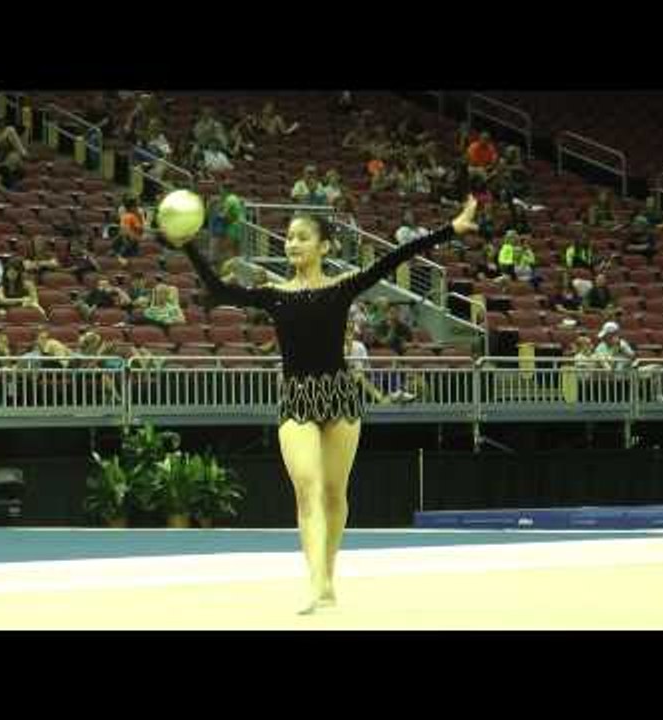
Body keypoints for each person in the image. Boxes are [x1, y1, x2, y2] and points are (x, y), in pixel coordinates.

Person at [174, 192, 479, 614]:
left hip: (339, 397)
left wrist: (452, 229)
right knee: (308, 489)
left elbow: (395, 258)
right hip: (297, 398)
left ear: (325, 246)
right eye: (288, 238)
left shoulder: (341, 288)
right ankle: (314, 582)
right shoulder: (272, 293)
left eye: (302, 237)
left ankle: (329, 578)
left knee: (335, 492)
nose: (292, 243)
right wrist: (187, 242)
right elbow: (218, 289)